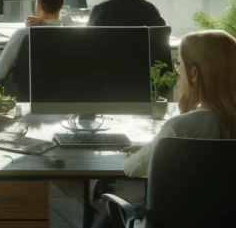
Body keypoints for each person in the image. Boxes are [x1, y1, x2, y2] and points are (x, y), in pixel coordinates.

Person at [88, 30, 236, 228]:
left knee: (108, 208)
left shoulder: (179, 128)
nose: (177, 72)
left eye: (179, 64)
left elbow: (131, 168)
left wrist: (155, 147)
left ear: (193, 73)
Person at [0, 0, 65, 81]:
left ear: (38, 4)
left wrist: (27, 30)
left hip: (24, 91)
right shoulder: (70, 35)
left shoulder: (24, 34)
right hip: (58, 90)